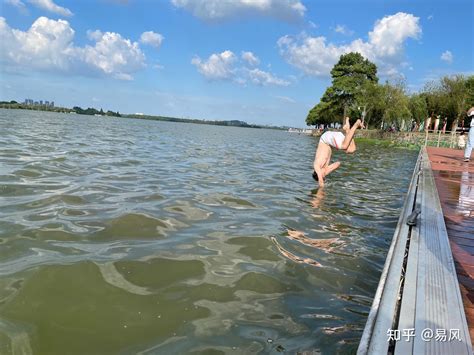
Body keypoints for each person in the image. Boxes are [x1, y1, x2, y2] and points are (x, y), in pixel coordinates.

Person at [312, 117, 364, 186]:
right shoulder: (325, 168)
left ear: (318, 173)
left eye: (323, 175)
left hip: (325, 139)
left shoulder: (316, 166)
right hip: (330, 143)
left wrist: (320, 193)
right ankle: (347, 129)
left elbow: (321, 182)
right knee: (352, 149)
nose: (325, 174)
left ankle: (356, 124)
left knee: (344, 146)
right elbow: (338, 163)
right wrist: (328, 170)